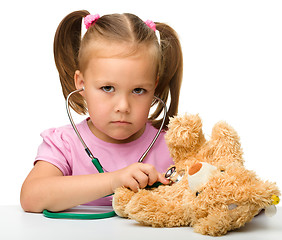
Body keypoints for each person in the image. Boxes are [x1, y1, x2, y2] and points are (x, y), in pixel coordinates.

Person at [20, 10, 183, 213]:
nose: (123, 106)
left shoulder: (173, 145)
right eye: (107, 88)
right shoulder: (65, 144)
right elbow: (31, 197)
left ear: (154, 88)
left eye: (139, 90)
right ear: (82, 84)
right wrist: (113, 180)